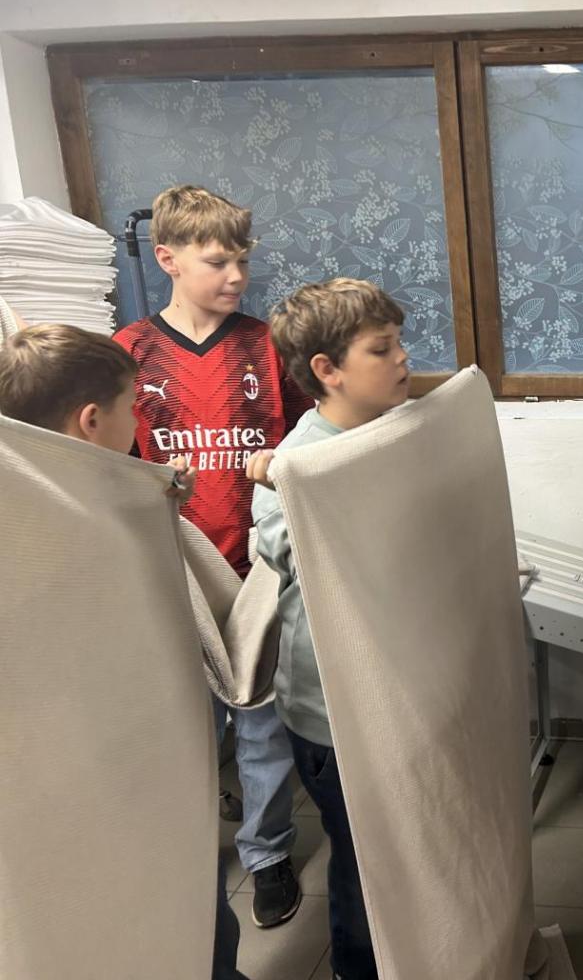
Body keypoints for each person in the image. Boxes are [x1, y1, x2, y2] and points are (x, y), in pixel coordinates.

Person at [0, 323, 249, 980]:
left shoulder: (50, 515)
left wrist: (156, 505)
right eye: (131, 408)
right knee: (182, 899)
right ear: (91, 421)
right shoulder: (93, 534)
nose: (138, 424)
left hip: (72, 789)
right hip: (132, 765)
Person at [113, 185, 310, 928]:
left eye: (242, 262)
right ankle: (189, 853)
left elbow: (305, 441)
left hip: (257, 564)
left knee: (262, 721)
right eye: (217, 262)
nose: (236, 276)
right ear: (166, 259)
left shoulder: (266, 346)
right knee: (184, 725)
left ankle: (267, 853)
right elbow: (108, 458)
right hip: (175, 567)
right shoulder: (130, 352)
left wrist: (282, 475)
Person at [247, 278, 412, 980]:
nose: (402, 358)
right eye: (382, 348)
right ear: (327, 369)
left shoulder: (396, 433)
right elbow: (303, 556)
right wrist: (289, 486)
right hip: (333, 714)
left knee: (403, 855)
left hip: (399, 690)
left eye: (398, 342)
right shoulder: (298, 464)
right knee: (366, 866)